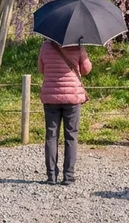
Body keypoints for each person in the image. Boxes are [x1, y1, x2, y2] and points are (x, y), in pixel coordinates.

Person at [38, 37, 92, 185]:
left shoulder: (45, 46)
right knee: (71, 136)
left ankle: (51, 176)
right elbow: (86, 70)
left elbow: (41, 69)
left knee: (51, 136)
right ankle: (68, 176)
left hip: (51, 97)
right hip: (72, 97)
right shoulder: (78, 46)